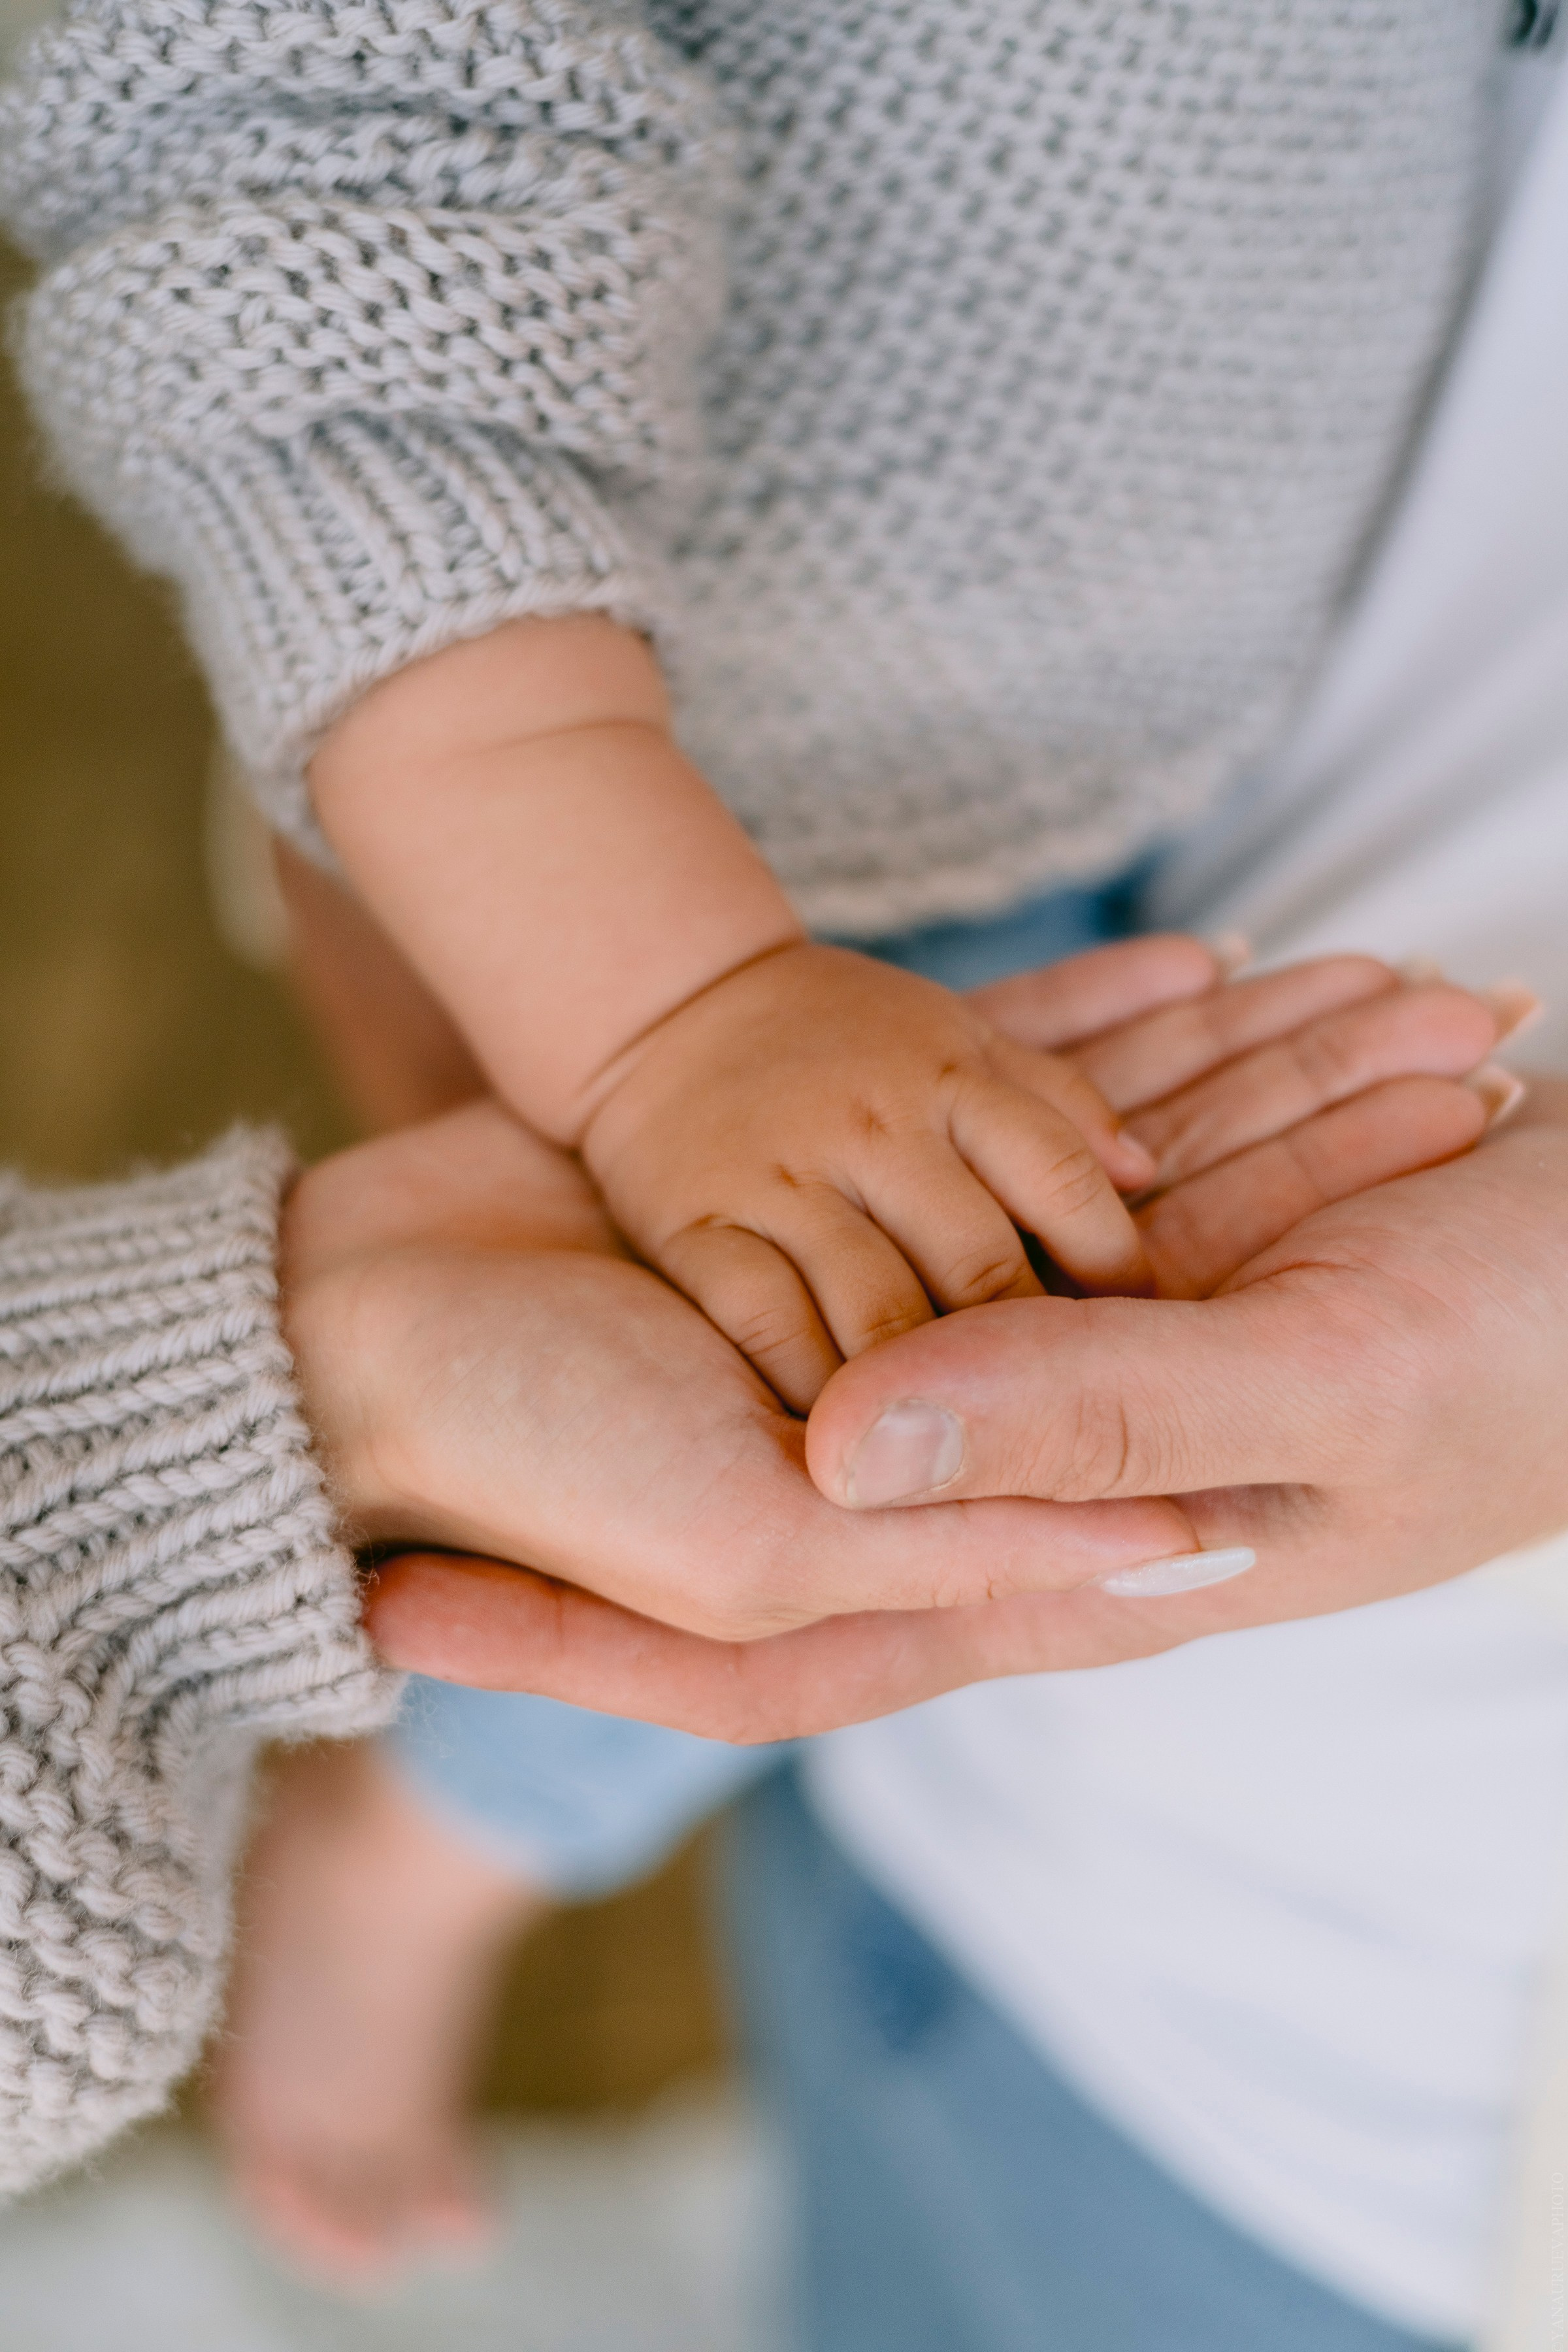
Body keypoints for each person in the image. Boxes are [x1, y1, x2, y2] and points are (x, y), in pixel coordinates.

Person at [5, 3, 1568, 2348]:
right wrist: (653, 980)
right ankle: (428, 1848)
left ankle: (428, 1846)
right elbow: (297, 129)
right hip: (751, 772)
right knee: (788, 1401)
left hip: (1128, 687)